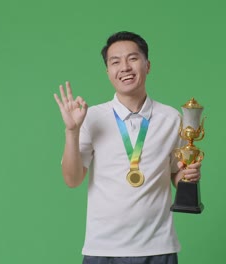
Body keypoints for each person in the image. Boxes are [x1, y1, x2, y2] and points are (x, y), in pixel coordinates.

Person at [54, 31, 202, 264]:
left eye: (132, 58)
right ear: (108, 72)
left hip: (158, 246)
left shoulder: (172, 118)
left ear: (147, 65)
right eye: (115, 62)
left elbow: (176, 173)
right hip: (103, 249)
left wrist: (188, 175)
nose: (124, 67)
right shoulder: (91, 117)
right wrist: (72, 131)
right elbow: (72, 179)